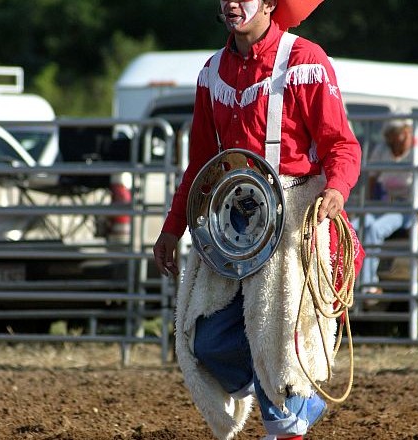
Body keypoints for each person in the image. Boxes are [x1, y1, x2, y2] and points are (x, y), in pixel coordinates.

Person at [153, 1, 364, 439]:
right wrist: (173, 227)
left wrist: (336, 190)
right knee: (207, 342)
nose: (232, 2)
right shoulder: (212, 73)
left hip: (292, 223)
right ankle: (296, 398)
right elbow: (199, 165)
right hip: (233, 225)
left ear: (270, 3)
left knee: (276, 337)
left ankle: (286, 411)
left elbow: (341, 144)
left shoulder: (306, 62)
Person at [352, 118, 418, 294]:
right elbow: (372, 177)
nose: (394, 140)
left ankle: (368, 285)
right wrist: (368, 206)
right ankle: (347, 281)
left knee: (375, 228)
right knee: (354, 227)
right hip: (389, 204)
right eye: (391, 136)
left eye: (398, 134)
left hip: (414, 207)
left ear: (406, 132)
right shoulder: (383, 149)